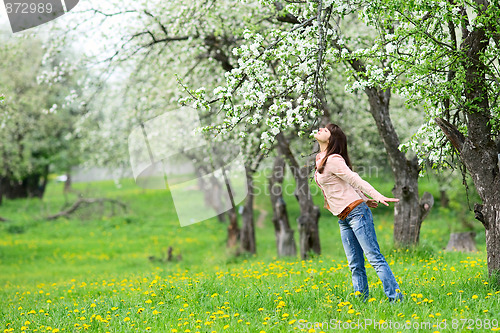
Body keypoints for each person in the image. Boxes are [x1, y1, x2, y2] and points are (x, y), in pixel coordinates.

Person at [313, 123, 403, 303]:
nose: (321, 129)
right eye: (322, 127)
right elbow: (346, 184)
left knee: (374, 258)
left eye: (326, 130)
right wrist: (363, 198)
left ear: (331, 139)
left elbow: (355, 179)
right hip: (344, 217)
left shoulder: (334, 159)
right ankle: (360, 302)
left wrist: (376, 196)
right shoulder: (320, 158)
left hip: (356, 214)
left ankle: (396, 299)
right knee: (355, 264)